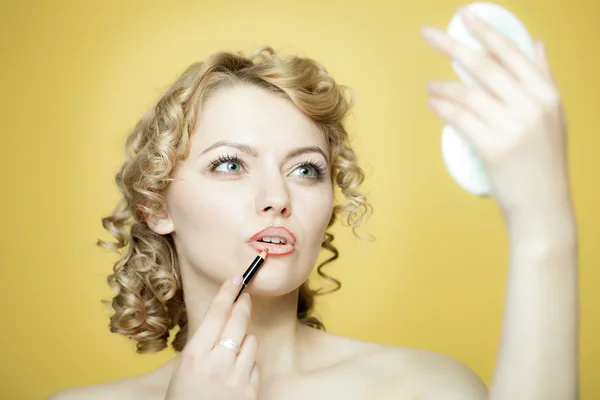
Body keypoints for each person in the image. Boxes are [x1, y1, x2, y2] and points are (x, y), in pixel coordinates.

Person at [48, 9, 578, 400]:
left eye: (305, 170)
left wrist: (542, 219)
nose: (277, 198)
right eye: (230, 164)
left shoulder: (426, 387)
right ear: (155, 205)